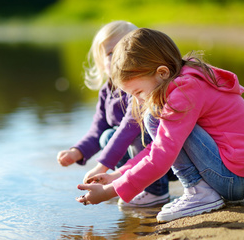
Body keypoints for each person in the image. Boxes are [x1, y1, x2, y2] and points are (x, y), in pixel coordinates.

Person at [76, 28, 244, 223]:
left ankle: (199, 193)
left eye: (138, 91)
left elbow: (162, 154)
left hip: (234, 180)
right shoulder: (184, 79)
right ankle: (201, 191)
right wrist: (118, 175)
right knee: (156, 118)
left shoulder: (185, 92)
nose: (138, 101)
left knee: (153, 116)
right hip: (237, 175)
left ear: (162, 73)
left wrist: (109, 192)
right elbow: (156, 147)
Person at [57, 22, 171, 207]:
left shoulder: (139, 88)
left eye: (125, 52)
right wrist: (76, 152)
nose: (120, 58)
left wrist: (103, 165)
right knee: (106, 136)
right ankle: (128, 184)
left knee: (134, 133)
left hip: (162, 156)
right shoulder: (106, 92)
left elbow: (129, 127)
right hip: (137, 161)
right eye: (111, 54)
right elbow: (97, 128)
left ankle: (155, 191)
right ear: (102, 64)